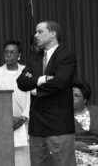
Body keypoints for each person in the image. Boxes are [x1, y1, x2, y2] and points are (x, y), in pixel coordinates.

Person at [16, 21, 77, 166]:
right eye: (36, 32)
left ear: (53, 34)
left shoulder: (66, 56)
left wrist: (34, 88)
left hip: (59, 124)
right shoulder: (34, 57)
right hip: (36, 124)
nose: (35, 35)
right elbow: (21, 82)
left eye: (40, 32)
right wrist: (43, 79)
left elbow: (59, 83)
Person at [0, 40, 30, 166]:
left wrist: (23, 118)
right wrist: (6, 118)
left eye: (13, 52)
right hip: (2, 122)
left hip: (25, 123)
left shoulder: (28, 72)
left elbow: (33, 97)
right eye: (6, 52)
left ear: (19, 55)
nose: (9, 55)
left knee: (24, 160)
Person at [72, 81, 98, 165]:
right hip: (74, 155)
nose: (72, 98)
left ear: (85, 100)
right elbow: (54, 139)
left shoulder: (95, 111)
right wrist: (72, 144)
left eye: (76, 96)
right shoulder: (61, 116)